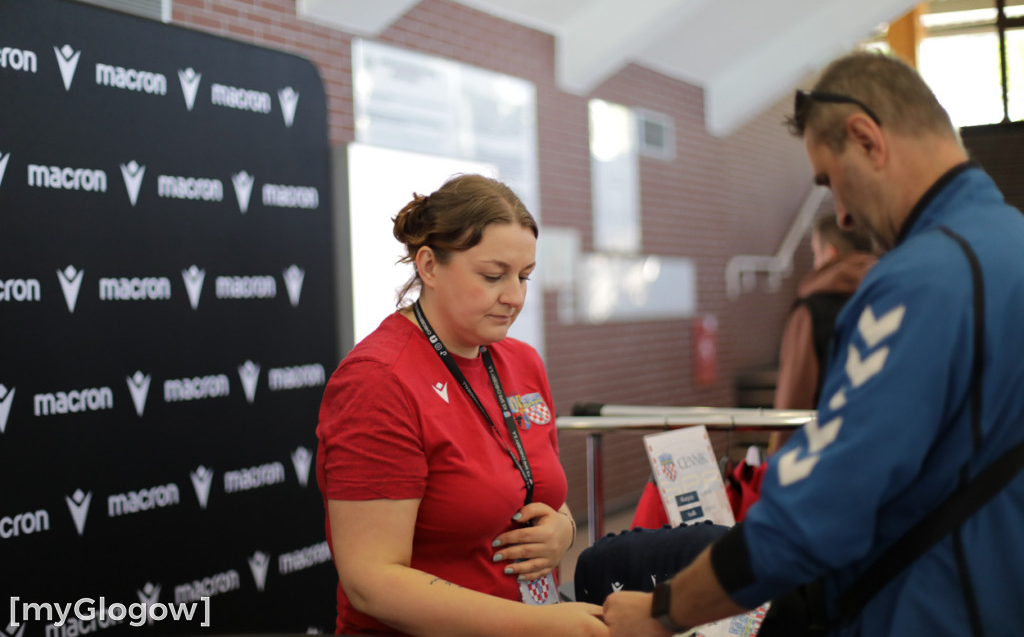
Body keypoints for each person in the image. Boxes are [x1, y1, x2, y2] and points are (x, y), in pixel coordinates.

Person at [604, 50, 1024, 636]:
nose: (843, 216)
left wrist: (661, 610)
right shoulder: (1010, 243)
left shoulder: (920, 279)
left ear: (866, 139)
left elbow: (815, 510)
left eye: (830, 181)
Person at [316, 173, 606, 636]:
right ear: (428, 266)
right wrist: (537, 626)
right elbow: (371, 581)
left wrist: (564, 530)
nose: (514, 297)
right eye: (493, 276)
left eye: (524, 277)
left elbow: (536, 490)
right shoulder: (378, 381)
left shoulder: (522, 361)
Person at [767, 212, 876, 454]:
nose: (815, 263)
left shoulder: (811, 309)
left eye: (816, 253)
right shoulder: (892, 293)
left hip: (828, 451)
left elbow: (794, 398)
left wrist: (778, 463)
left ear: (831, 253)